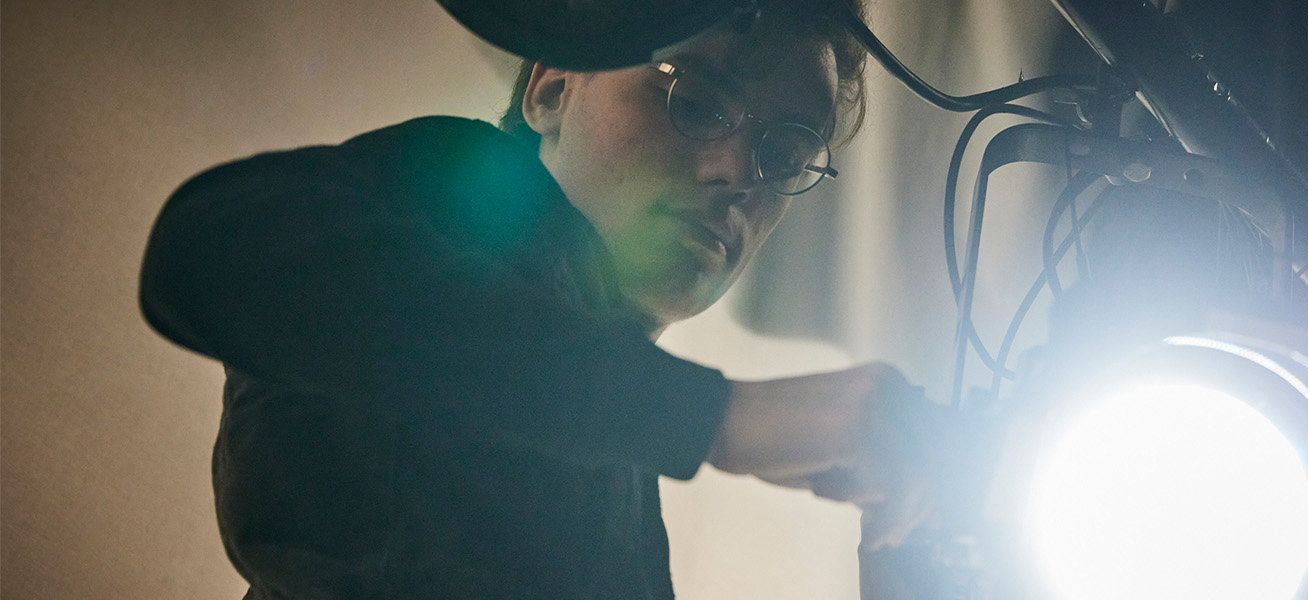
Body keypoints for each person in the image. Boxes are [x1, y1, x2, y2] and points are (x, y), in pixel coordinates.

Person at [138, 1, 933, 598]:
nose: (737, 174)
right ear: (552, 88)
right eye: (694, 100)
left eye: (786, 149)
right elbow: (209, 247)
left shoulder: (600, 419)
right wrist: (711, 416)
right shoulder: (464, 198)